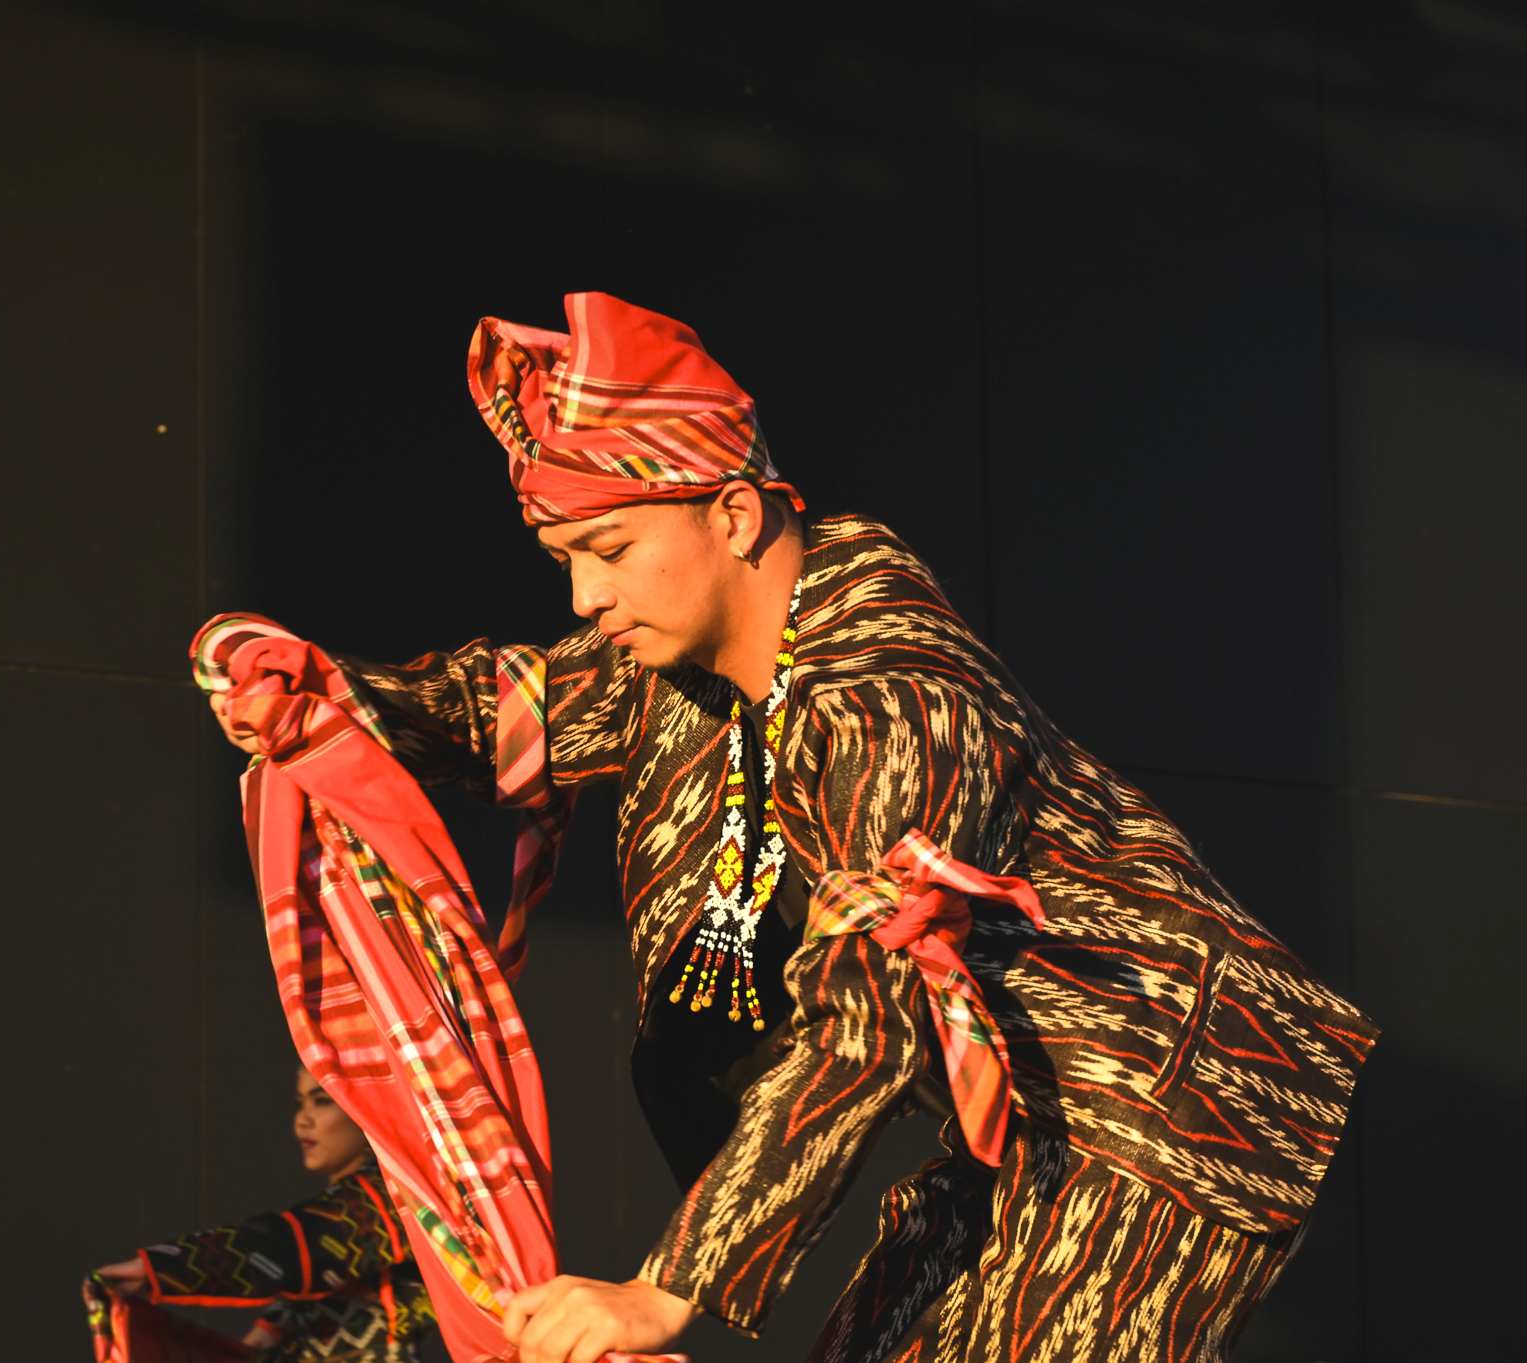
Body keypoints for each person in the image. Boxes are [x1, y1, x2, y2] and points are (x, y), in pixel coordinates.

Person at [208, 292, 1379, 1363]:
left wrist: (664, 1290)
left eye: (607, 552)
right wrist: (314, 693)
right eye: (564, 561)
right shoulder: (678, 670)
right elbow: (502, 707)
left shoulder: (892, 698)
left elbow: (861, 1019)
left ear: (730, 512)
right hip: (1025, 1131)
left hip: (1160, 1117)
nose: (583, 597)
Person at [91, 1066, 436, 1361]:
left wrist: (159, 1268)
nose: (303, 1120)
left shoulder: (393, 1198)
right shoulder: (346, 1207)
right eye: (299, 1104)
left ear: (364, 1111)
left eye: (322, 1101)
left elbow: (289, 1246)